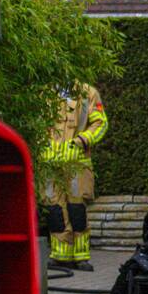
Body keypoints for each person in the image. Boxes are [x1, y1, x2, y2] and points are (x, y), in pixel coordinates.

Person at [42, 83, 108, 271]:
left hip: (77, 162)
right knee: (54, 209)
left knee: (77, 209)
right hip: (50, 163)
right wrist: (41, 147)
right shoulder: (44, 93)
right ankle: (60, 255)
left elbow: (100, 123)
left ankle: (81, 256)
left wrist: (81, 141)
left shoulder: (88, 93)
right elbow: (37, 125)